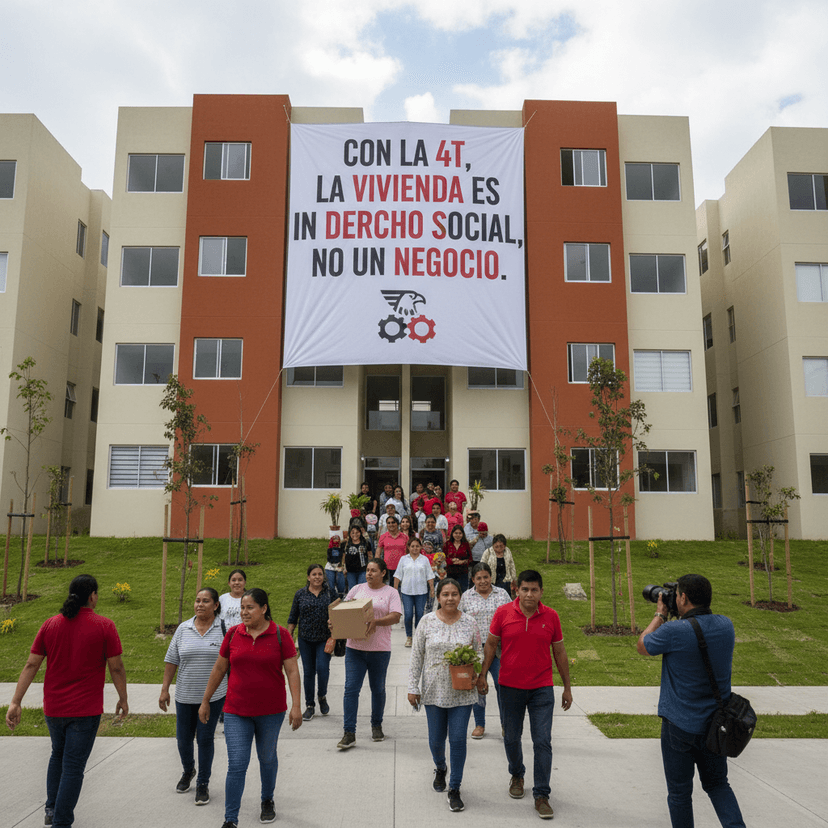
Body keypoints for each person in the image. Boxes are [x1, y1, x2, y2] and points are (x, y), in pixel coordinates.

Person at [5, 574, 128, 828]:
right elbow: (116, 668)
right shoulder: (105, 626)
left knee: (57, 755)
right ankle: (61, 822)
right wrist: (123, 698)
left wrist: (15, 702)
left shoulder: (50, 624)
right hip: (85, 711)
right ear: (92, 596)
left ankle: (52, 809)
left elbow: (31, 664)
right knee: (73, 767)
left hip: (54, 709)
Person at [637, 574, 746, 828]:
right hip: (715, 727)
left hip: (679, 727)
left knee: (679, 794)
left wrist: (661, 614)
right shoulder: (725, 625)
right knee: (718, 785)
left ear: (683, 598)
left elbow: (643, 645)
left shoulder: (674, 631)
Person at [199, 588, 302, 827]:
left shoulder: (280, 635)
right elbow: (219, 668)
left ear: (264, 608)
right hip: (236, 711)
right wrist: (206, 700)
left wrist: (297, 705)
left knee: (266, 758)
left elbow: (293, 671)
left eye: (249, 607)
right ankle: (230, 819)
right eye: (242, 608)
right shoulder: (234, 634)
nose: (244, 612)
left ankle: (267, 800)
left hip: (271, 711)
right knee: (236, 764)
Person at [476, 569, 572, 821]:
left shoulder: (551, 616)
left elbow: (560, 653)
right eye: (525, 589)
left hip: (542, 688)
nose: (529, 594)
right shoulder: (503, 613)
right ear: (516, 589)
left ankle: (541, 795)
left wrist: (567, 687)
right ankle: (517, 774)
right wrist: (483, 674)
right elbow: (490, 645)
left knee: (542, 741)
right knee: (512, 737)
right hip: (509, 686)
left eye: (534, 590)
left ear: (541, 591)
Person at [407, 578, 482, 813]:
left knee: (458, 740)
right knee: (436, 740)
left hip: (462, 693)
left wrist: (477, 674)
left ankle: (455, 788)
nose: (450, 598)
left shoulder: (470, 622)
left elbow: (478, 652)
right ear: (438, 597)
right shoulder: (426, 621)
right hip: (433, 691)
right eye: (445, 594)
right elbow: (417, 656)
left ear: (461, 597)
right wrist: (412, 687)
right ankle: (440, 767)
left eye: (454, 594)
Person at [159, 587, 227, 805]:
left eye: (205, 601)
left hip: (214, 697)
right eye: (197, 600)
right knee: (183, 739)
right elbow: (172, 660)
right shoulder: (183, 628)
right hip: (185, 695)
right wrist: (164, 689)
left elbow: (231, 663)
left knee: (205, 739)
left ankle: (203, 784)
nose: (200, 604)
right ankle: (189, 770)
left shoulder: (225, 629)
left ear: (215, 605)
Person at [336, 558, 402, 750]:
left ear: (383, 573)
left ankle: (376, 725)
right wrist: (336, 623)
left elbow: (396, 616)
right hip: (354, 648)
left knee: (378, 689)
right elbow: (344, 612)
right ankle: (349, 732)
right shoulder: (356, 589)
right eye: (367, 570)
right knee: (351, 690)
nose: (369, 573)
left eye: (374, 570)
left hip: (379, 650)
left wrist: (376, 621)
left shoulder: (391, 593)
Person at [459, 562, 511, 739]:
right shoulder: (466, 597)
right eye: (479, 578)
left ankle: (506, 725)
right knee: (478, 686)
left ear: (491, 577)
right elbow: (459, 621)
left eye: (486, 577)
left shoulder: (502, 594)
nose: (483, 581)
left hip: (498, 648)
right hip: (475, 649)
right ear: (473, 579)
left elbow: (512, 617)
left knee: (501, 685)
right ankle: (479, 724)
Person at [287, 564, 337, 721]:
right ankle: (310, 705)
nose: (317, 577)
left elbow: (340, 613)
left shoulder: (330, 593)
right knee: (308, 672)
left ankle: (322, 696)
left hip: (324, 639)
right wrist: (289, 637)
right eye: (314, 574)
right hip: (305, 639)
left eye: (320, 574)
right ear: (308, 577)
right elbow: (293, 617)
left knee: (323, 669)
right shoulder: (300, 594)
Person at [394, 536, 435, 646]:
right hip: (406, 592)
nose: (415, 548)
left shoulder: (424, 559)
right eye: (412, 546)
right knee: (407, 615)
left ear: (421, 547)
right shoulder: (403, 559)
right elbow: (397, 576)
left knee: (419, 615)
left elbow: (430, 576)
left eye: (417, 546)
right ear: (408, 547)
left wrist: (432, 589)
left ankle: (418, 637)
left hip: (421, 592)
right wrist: (394, 591)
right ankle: (409, 637)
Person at [376, 514, 407, 584]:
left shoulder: (404, 537)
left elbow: (408, 552)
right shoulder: (383, 536)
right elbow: (378, 553)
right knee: (388, 590)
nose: (391, 524)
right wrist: (377, 566)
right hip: (387, 568)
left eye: (393, 522)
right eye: (388, 523)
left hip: (402, 568)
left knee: (400, 590)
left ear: (397, 524)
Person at [342, 525, 373, 591]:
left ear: (360, 533)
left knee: (362, 589)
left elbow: (370, 555)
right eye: (353, 533)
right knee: (352, 590)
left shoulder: (365, 543)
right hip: (350, 571)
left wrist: (370, 567)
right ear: (349, 534)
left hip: (362, 570)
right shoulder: (346, 544)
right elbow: (344, 556)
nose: (355, 534)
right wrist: (344, 568)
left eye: (357, 532)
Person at [445, 524, 473, 593]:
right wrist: (452, 561)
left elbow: (470, 559)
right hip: (450, 573)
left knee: (462, 592)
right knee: (451, 592)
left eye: (460, 533)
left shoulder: (466, 544)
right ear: (452, 534)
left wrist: (462, 562)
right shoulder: (447, 544)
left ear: (463, 534)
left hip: (463, 573)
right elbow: (443, 558)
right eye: (456, 533)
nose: (458, 535)